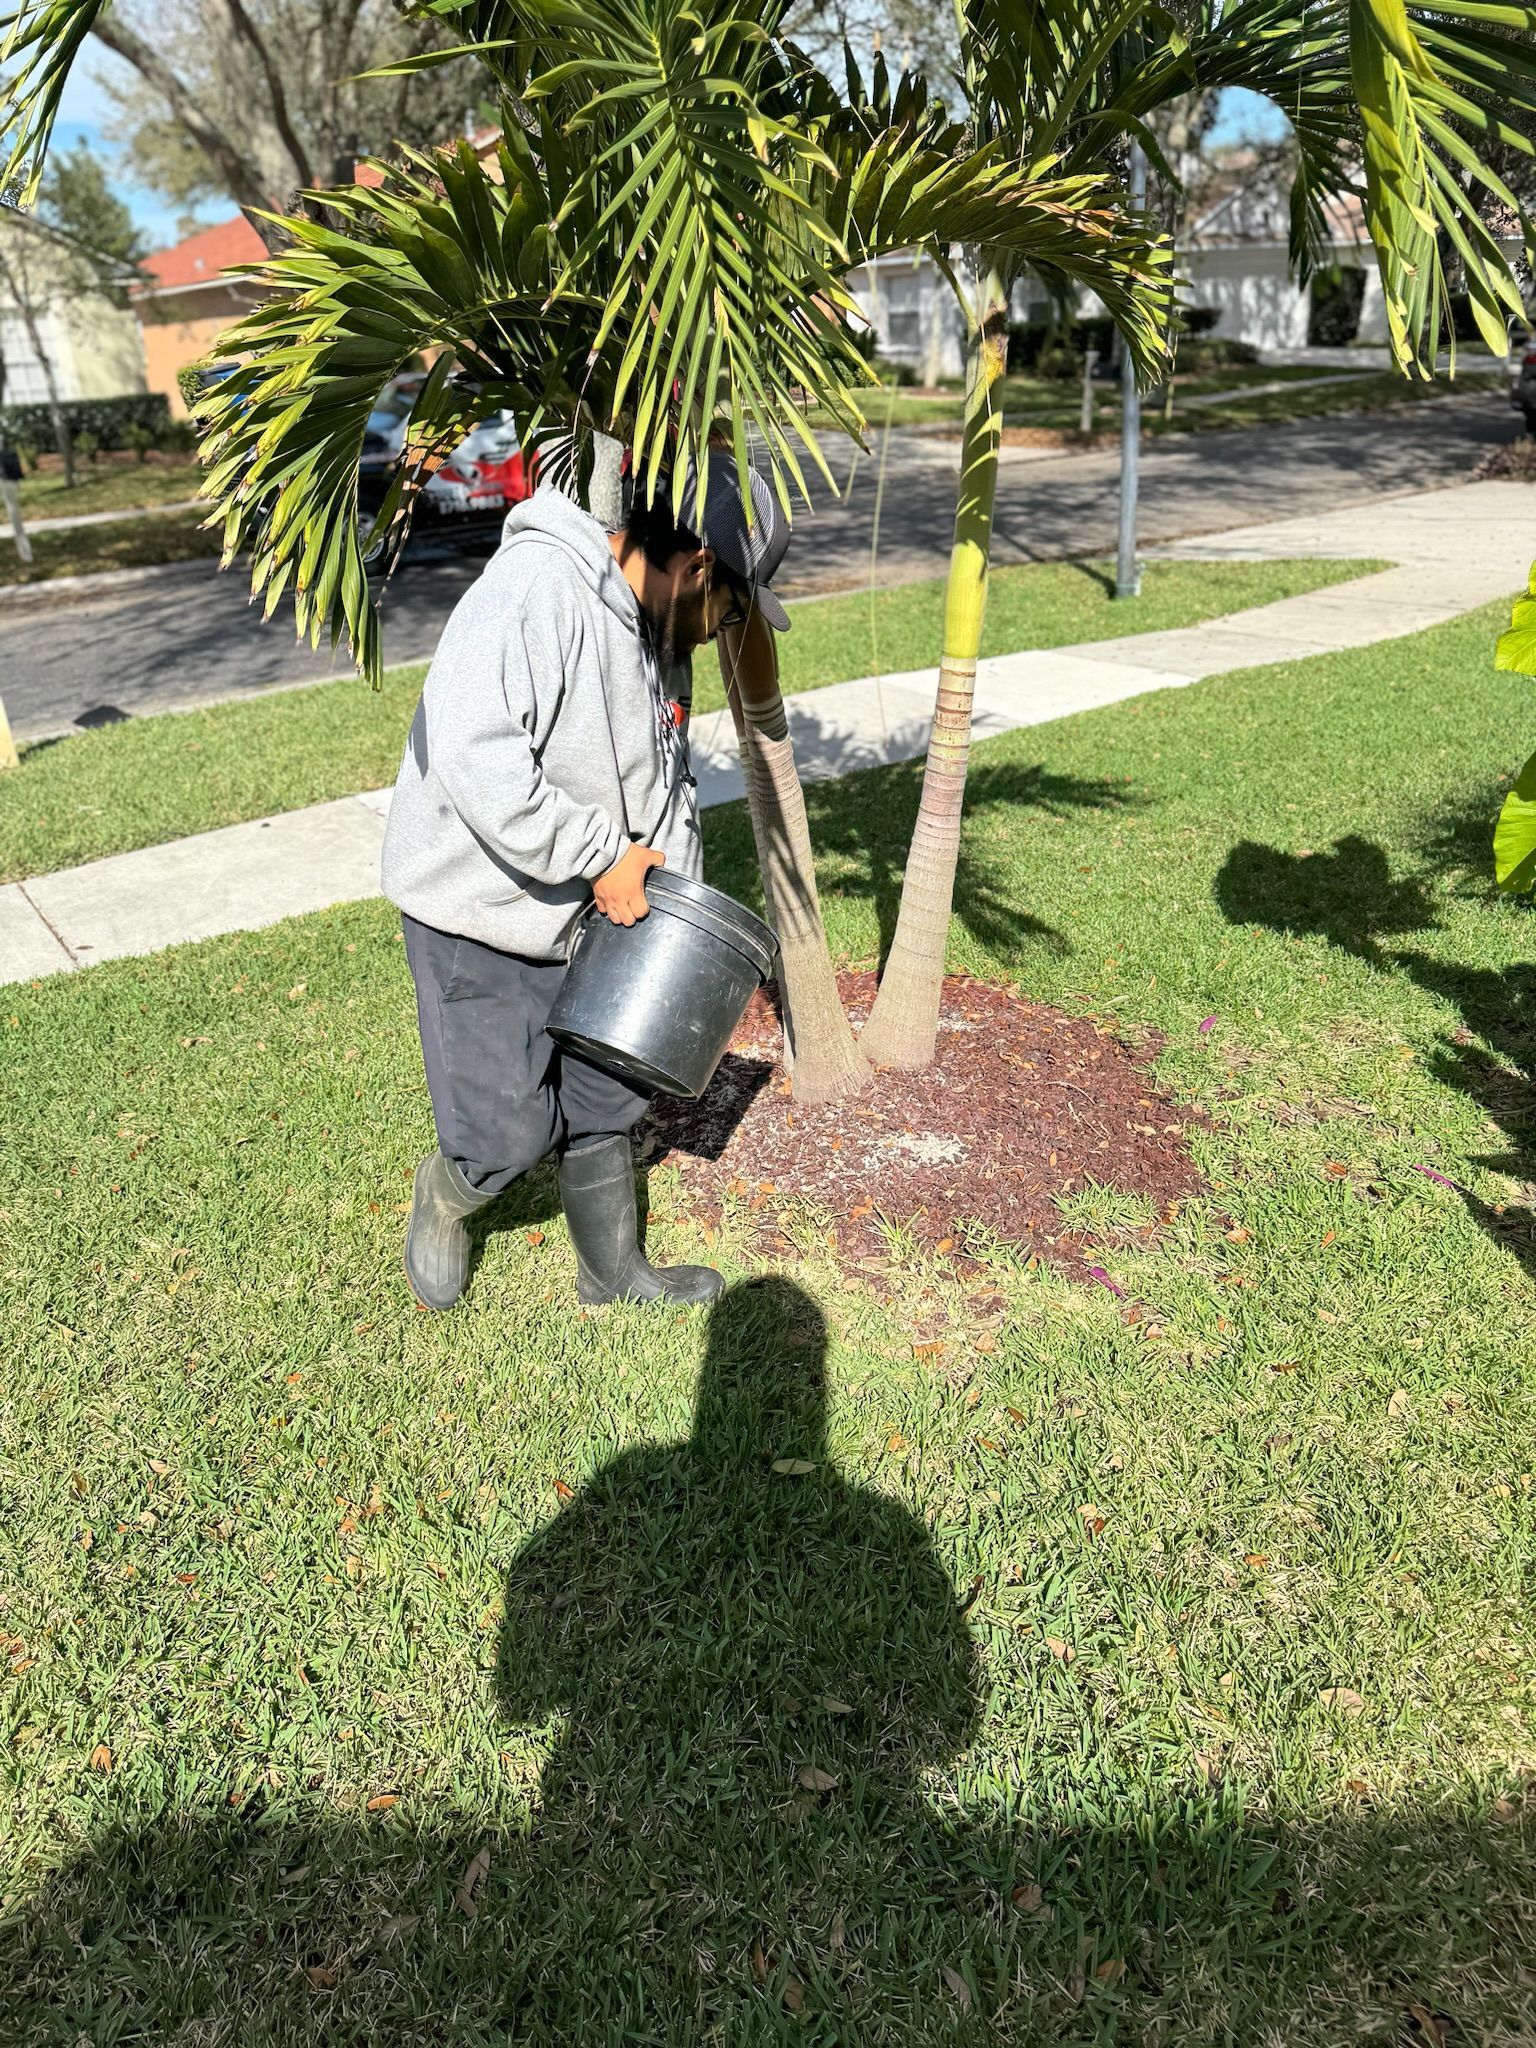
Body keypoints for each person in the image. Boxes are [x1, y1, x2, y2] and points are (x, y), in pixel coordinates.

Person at [381, 459, 792, 1311]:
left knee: (606, 1097)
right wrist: (600, 852)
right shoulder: (538, 589)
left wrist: (675, 910)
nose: (727, 631)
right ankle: (446, 1192)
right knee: (507, 1132)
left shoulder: (657, 626)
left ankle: (611, 1273)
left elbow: (661, 782)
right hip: (482, 910)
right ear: (698, 569)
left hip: (593, 914)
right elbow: (475, 750)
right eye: (732, 608)